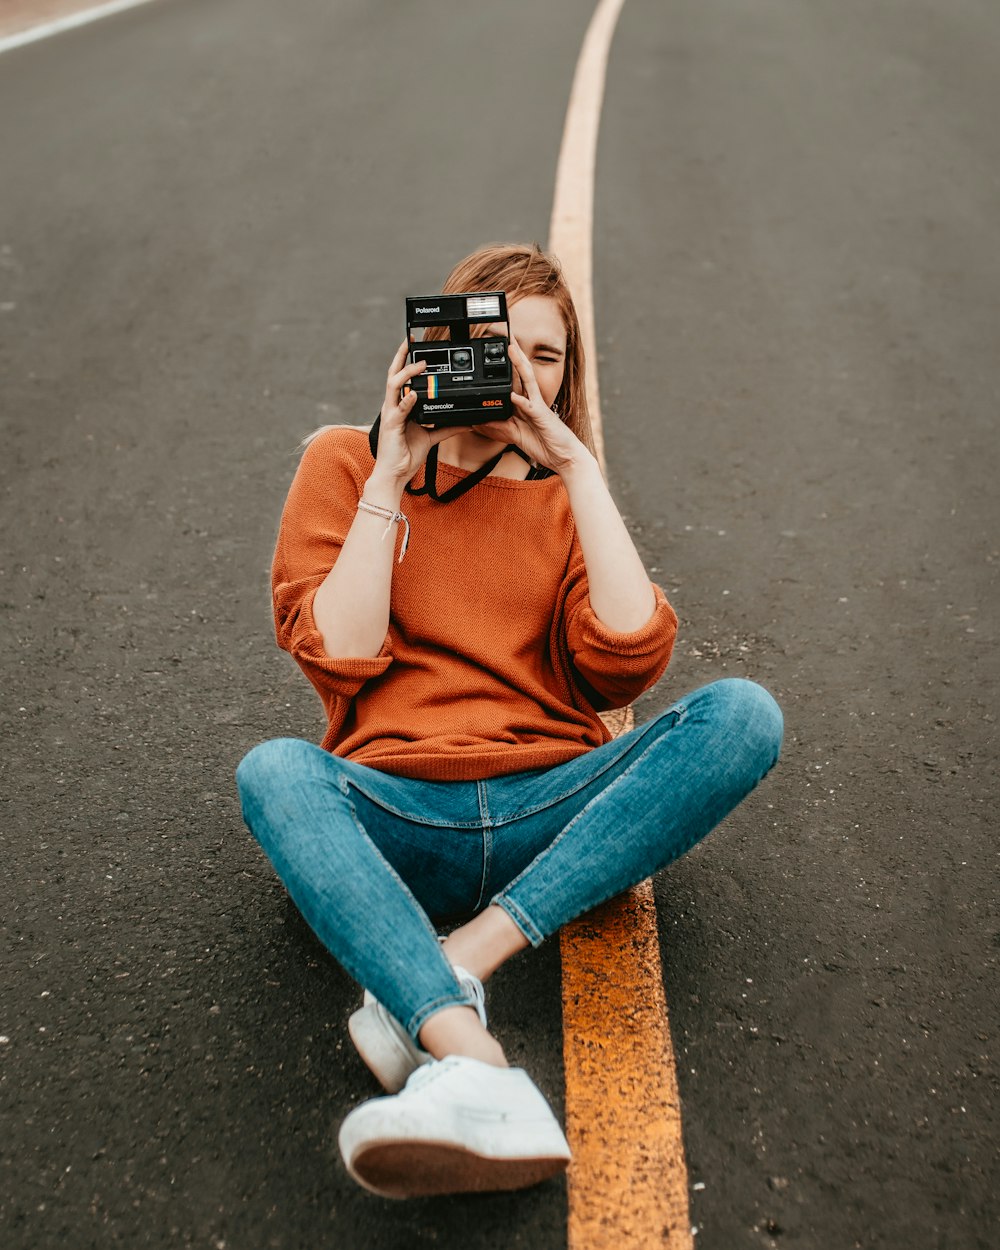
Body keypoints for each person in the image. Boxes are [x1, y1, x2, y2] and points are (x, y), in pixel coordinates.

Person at [236, 242, 783, 1200]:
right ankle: (474, 1060)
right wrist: (388, 479)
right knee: (275, 773)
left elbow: (626, 660)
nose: (522, 374)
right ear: (439, 347)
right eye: (498, 345)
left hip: (551, 812)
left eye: (548, 356)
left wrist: (574, 466)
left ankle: (452, 963)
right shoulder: (345, 463)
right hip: (400, 812)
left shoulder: (563, 495)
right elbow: (339, 651)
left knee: (743, 714)